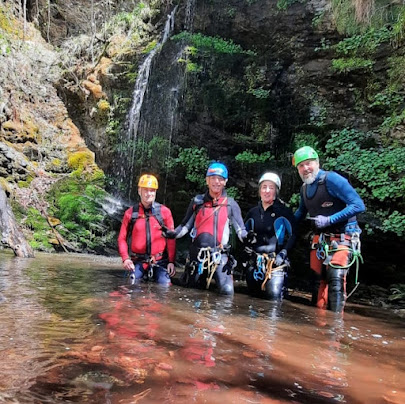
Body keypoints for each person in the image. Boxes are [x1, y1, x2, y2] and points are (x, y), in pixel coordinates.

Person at [293, 146, 365, 312]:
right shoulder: (304, 188)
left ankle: (335, 328)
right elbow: (301, 212)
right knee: (317, 281)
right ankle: (318, 326)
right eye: (301, 166)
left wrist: (330, 219)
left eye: (308, 163)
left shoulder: (332, 179)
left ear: (317, 163)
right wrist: (286, 223)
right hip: (321, 240)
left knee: (336, 280)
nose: (305, 168)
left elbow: (358, 205)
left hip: (343, 236)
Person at [164, 162, 247, 295]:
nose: (216, 182)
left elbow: (241, 230)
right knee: (192, 293)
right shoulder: (197, 202)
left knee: (227, 292)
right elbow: (185, 226)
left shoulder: (231, 204)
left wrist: (248, 237)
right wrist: (172, 234)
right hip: (197, 256)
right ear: (207, 180)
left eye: (220, 179)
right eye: (213, 178)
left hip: (220, 255)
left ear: (225, 182)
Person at [243, 172, 297, 300]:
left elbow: (294, 234)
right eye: (264, 187)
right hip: (255, 261)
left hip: (275, 263)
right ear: (259, 190)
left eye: (271, 188)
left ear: (276, 191)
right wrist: (247, 247)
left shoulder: (284, 212)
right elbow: (243, 233)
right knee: (252, 300)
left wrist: (283, 253)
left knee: (273, 299)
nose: (267, 191)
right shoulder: (253, 213)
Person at [117, 174, 176, 285]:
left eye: (152, 191)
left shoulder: (165, 212)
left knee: (165, 286)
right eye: (145, 190)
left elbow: (171, 238)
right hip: (138, 261)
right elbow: (122, 238)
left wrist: (171, 262)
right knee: (131, 284)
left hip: (160, 261)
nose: (149, 194)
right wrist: (125, 258)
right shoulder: (130, 213)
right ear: (139, 191)